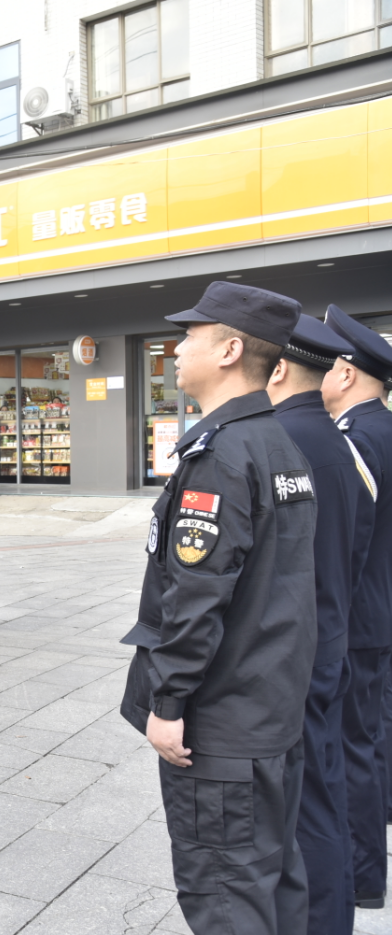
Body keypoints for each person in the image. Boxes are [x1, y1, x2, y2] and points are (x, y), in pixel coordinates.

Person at [117, 282, 316, 934]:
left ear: (230, 349)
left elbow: (198, 595)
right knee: (274, 884)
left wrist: (167, 702)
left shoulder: (223, 454)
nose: (175, 349)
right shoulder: (278, 444)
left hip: (222, 729)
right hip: (270, 714)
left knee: (226, 897)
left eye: (190, 336)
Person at [267, 316, 375, 935]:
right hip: (332, 640)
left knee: (302, 806)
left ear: (278, 368)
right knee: (325, 789)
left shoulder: (280, 442)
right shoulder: (340, 445)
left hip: (294, 655)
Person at [321, 304, 392, 911]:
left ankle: (365, 876)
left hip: (360, 619)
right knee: (366, 739)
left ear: (345, 374)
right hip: (378, 612)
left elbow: (352, 540)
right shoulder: (381, 428)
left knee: (352, 748)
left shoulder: (360, 437)